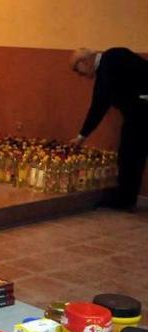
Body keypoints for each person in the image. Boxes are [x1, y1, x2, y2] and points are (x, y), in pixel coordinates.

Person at [70, 47, 148, 212]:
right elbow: (100, 103)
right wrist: (82, 135)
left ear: (84, 62)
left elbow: (99, 105)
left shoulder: (111, 61)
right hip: (138, 112)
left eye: (79, 71)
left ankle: (124, 199)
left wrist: (82, 136)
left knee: (129, 155)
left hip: (141, 112)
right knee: (132, 155)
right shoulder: (108, 63)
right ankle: (126, 198)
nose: (81, 76)